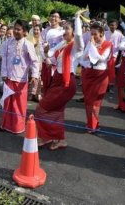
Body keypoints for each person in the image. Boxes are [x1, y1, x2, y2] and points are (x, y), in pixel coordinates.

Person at [35, 14, 84, 149]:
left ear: (73, 31)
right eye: (63, 28)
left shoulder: (76, 46)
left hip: (66, 83)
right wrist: (46, 51)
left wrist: (78, 19)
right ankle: (56, 138)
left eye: (67, 29)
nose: (64, 31)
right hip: (57, 79)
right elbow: (50, 55)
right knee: (56, 111)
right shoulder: (64, 44)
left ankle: (49, 136)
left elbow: (79, 36)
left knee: (41, 108)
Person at [0, 20, 39, 134]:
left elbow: (35, 61)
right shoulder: (7, 42)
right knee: (7, 103)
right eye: (15, 29)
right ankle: (5, 125)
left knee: (19, 105)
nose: (16, 31)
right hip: (9, 78)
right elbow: (4, 59)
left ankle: (17, 127)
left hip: (21, 79)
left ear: (25, 32)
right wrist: (4, 74)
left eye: (19, 29)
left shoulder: (28, 44)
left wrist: (34, 75)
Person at [79, 22, 113, 133]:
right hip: (88, 74)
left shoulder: (107, 44)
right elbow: (83, 58)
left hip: (100, 76)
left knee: (96, 102)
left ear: (102, 33)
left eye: (95, 34)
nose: (92, 37)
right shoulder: (90, 43)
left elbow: (101, 58)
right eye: (91, 34)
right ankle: (90, 122)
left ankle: (93, 125)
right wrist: (90, 47)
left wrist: (92, 47)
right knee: (88, 101)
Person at [40, 10, 64, 95]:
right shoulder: (44, 31)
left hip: (58, 64)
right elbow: (41, 46)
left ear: (60, 19)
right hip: (47, 63)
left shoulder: (63, 32)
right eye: (52, 16)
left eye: (56, 17)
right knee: (46, 87)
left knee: (56, 89)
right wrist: (46, 59)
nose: (53, 18)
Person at [28, 24, 43, 102]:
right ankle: (31, 94)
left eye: (38, 30)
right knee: (30, 77)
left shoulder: (42, 39)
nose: (36, 31)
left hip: (39, 59)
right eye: (35, 29)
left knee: (38, 77)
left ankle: (36, 94)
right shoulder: (29, 38)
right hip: (30, 60)